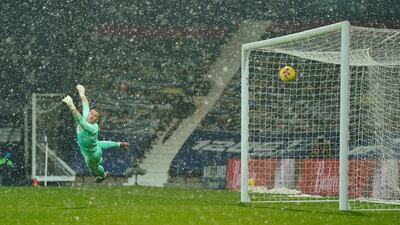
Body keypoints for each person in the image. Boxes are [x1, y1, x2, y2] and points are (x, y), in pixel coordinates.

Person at [62, 84, 129, 183]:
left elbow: (80, 122)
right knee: (98, 144)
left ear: (97, 120)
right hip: (91, 149)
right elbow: (86, 105)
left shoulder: (92, 128)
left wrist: (71, 105)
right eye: (91, 113)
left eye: (95, 116)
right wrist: (82, 94)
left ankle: (103, 175)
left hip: (92, 155)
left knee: (94, 169)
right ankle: (118, 145)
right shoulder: (86, 116)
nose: (92, 116)